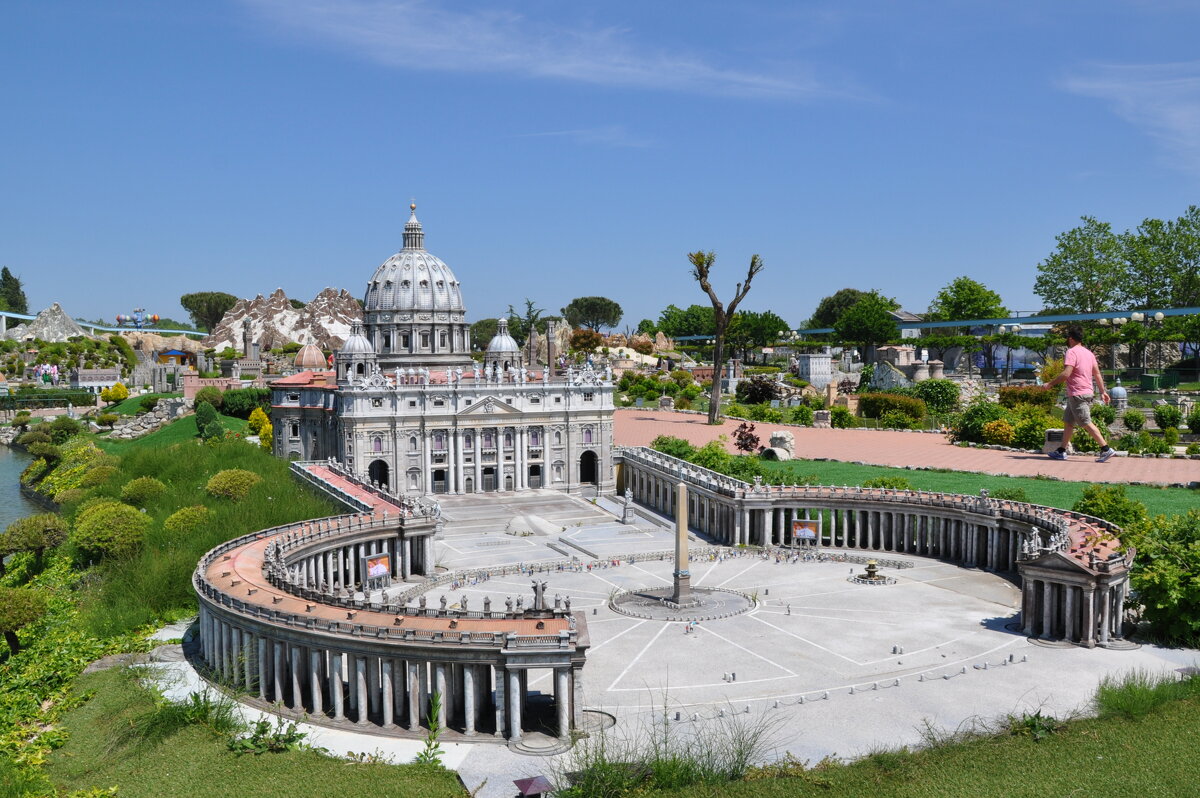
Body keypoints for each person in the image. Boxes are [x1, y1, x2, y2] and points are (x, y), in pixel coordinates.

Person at [1041, 324, 1114, 462]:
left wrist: (1049, 384)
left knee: (1086, 422)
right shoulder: (1089, 353)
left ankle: (1106, 449)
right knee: (1068, 422)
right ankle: (1061, 451)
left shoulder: (1071, 352)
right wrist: (1103, 391)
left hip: (1077, 393)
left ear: (1070, 338)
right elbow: (1097, 374)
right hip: (1085, 392)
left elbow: (1066, 373)